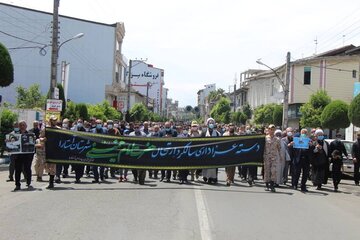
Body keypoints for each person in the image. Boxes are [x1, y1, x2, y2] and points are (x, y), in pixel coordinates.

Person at [13, 120, 35, 191]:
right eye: (21, 125)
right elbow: (11, 143)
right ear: (19, 126)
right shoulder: (15, 134)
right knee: (17, 170)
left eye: (23, 125)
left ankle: (28, 182)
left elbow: (32, 144)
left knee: (27, 169)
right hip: (18, 155)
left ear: (26, 126)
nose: (22, 127)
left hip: (27, 155)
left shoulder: (30, 134)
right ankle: (17, 185)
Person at [263, 124, 282, 192]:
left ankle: (272, 185)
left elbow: (279, 148)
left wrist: (280, 156)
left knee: (273, 171)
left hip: (274, 157)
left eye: (273, 129)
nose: (271, 130)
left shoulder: (277, 139)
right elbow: (263, 148)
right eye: (270, 129)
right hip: (267, 157)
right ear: (268, 129)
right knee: (267, 171)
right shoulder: (265, 138)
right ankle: (267, 185)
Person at [201, 118, 220, 184]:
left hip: (214, 152)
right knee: (206, 165)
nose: (211, 124)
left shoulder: (217, 134)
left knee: (214, 166)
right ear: (207, 124)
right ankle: (206, 176)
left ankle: (213, 177)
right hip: (206, 152)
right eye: (210, 123)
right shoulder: (203, 133)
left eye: (212, 123)